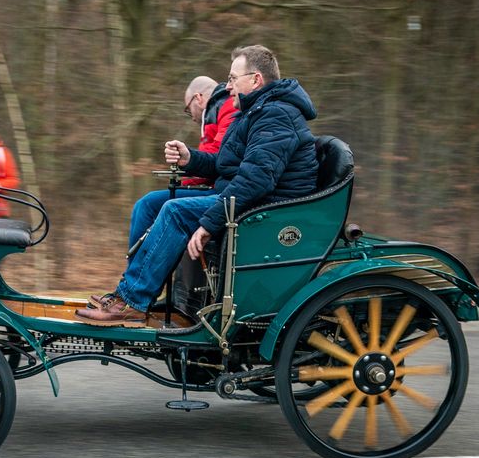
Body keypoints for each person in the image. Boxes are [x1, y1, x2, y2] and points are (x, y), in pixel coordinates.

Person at [78, 45, 319, 325]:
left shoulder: (276, 115)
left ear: (255, 80)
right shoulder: (253, 113)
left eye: (232, 79)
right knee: (149, 204)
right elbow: (225, 165)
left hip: (268, 210)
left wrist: (208, 223)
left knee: (175, 211)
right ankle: (132, 293)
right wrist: (189, 158)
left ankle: (132, 301)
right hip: (241, 198)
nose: (227, 88)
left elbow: (257, 180)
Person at [125, 75, 237, 251]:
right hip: (219, 190)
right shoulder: (216, 112)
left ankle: (135, 274)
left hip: (223, 193)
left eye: (188, 109)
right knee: (148, 204)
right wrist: (187, 180)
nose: (191, 117)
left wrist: (187, 173)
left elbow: (219, 157)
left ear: (198, 98)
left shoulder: (228, 106)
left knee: (147, 205)